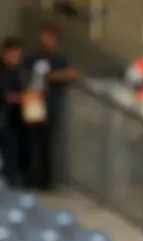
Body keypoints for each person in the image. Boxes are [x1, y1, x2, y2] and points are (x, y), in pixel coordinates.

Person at [22, 25, 76, 190]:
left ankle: (46, 180)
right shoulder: (32, 57)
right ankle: (29, 177)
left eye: (50, 38)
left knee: (48, 142)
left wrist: (53, 76)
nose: (46, 40)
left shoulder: (59, 59)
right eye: (44, 37)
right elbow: (23, 74)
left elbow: (71, 72)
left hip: (51, 105)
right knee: (31, 141)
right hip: (33, 104)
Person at [0, 38, 30, 188]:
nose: (17, 56)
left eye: (19, 53)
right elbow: (7, 96)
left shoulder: (20, 72)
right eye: (13, 53)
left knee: (16, 153)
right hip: (4, 119)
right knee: (9, 152)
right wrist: (26, 97)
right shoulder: (3, 72)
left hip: (17, 120)